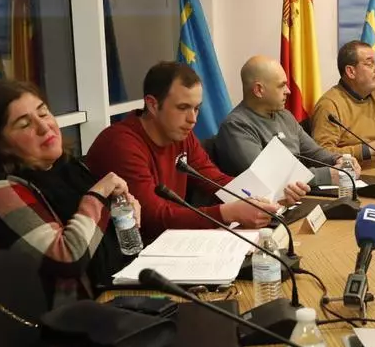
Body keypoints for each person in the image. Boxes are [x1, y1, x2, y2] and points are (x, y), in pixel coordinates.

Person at [86, 62, 307, 243]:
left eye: (197, 108)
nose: (193, 119)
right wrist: (227, 213)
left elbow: (216, 181)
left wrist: (271, 197)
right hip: (131, 256)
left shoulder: (181, 135)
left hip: (170, 241)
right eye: (183, 108)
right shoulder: (121, 144)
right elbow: (153, 217)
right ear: (152, 105)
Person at [0, 81, 134, 307]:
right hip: (61, 319)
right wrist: (98, 196)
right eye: (24, 124)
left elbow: (112, 237)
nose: (44, 127)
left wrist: (126, 212)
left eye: (43, 113)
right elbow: (68, 259)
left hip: (112, 293)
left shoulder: (69, 169)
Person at [214, 55, 360, 185]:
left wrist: (338, 160)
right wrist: (327, 175)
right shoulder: (236, 126)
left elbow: (314, 152)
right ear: (259, 90)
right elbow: (267, 177)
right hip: (264, 203)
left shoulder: (285, 116)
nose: (288, 91)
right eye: (281, 85)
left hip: (299, 194)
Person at [311, 40, 375, 166]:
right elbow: (322, 155)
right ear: (351, 72)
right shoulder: (329, 105)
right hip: (354, 176)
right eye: (369, 64)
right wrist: (367, 150)